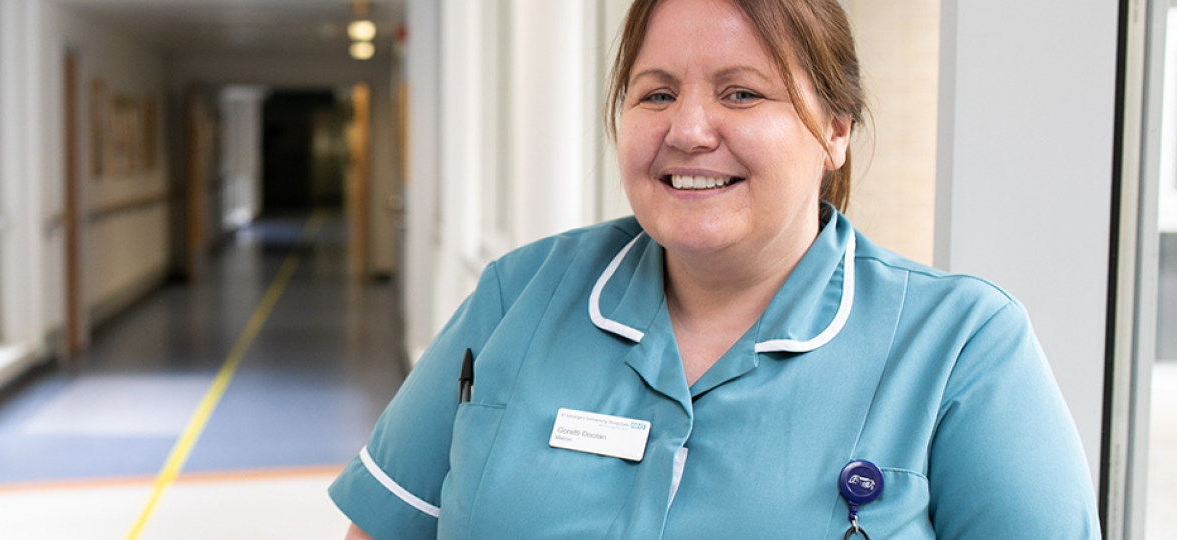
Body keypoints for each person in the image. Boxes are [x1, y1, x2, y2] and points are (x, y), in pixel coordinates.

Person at [329, 0, 1101, 537]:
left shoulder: (961, 346)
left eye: (741, 92)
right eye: (656, 92)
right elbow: (383, 528)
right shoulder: (519, 295)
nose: (689, 130)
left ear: (836, 128)